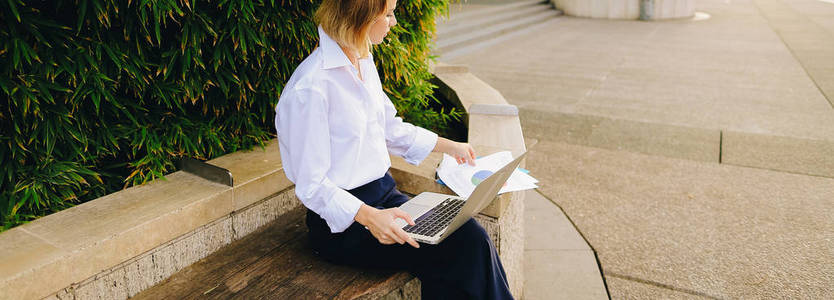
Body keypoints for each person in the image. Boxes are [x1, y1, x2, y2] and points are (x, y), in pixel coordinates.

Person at [274, 0, 514, 298]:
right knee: (463, 246)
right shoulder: (310, 89)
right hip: (345, 226)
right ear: (360, 15)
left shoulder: (361, 62)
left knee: (466, 233)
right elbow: (311, 185)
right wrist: (372, 218)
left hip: (386, 197)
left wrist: (451, 147)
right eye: (388, 14)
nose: (394, 22)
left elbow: (389, 127)